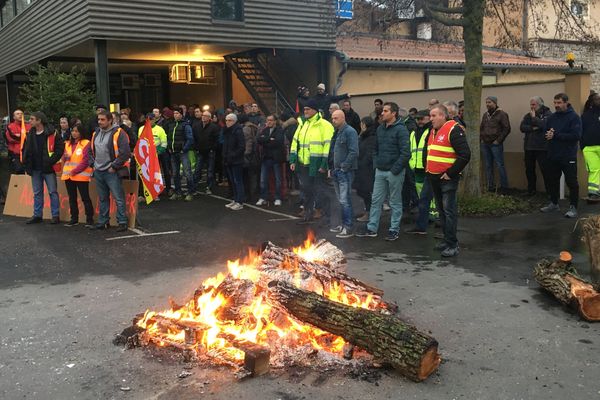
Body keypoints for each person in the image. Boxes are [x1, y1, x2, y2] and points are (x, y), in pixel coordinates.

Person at [356, 102, 410, 241]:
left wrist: (395, 170)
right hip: (380, 170)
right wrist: (376, 164)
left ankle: (394, 230)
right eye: (383, 111)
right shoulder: (380, 129)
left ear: (394, 113)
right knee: (376, 200)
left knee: (395, 202)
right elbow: (375, 149)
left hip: (394, 172)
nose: (382, 113)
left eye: (386, 111)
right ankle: (372, 228)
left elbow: (405, 153)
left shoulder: (401, 130)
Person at [425, 105, 471, 256]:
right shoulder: (433, 131)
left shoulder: (453, 129)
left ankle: (452, 244)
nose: (430, 119)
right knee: (442, 212)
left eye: (433, 116)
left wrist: (451, 173)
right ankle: (447, 240)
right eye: (430, 116)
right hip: (434, 177)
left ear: (443, 116)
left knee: (449, 212)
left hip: (447, 179)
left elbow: (465, 154)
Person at [290, 98, 334, 224]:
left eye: (308, 109)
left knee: (321, 190)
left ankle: (327, 217)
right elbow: (295, 143)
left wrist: (324, 164)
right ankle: (308, 214)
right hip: (303, 164)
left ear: (315, 110)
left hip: (318, 164)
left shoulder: (325, 125)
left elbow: (328, 146)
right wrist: (293, 160)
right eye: (304, 109)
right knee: (307, 190)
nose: (305, 111)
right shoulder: (303, 125)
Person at [541, 93, 582, 218]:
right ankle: (554, 203)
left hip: (568, 155)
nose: (556, 105)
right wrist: (547, 134)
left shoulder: (574, 117)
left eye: (559, 103)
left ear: (566, 102)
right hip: (553, 154)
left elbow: (576, 136)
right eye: (555, 103)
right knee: (552, 180)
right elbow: (546, 131)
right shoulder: (552, 117)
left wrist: (556, 135)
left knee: (571, 182)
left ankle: (573, 207)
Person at [90, 111, 131, 231]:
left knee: (118, 197)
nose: (99, 122)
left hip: (111, 171)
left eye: (102, 120)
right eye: (99, 119)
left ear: (109, 121)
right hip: (99, 170)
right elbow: (90, 150)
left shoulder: (119, 133)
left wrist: (114, 166)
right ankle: (103, 221)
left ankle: (122, 221)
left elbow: (125, 152)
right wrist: (93, 164)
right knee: (103, 198)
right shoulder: (96, 133)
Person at [21, 111, 64, 224]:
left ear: (39, 121)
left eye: (32, 119)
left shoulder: (52, 133)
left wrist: (51, 161)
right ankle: (37, 215)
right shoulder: (30, 133)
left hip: (48, 168)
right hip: (35, 168)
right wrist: (26, 163)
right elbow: (26, 149)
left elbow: (60, 148)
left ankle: (55, 216)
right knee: (37, 193)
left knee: (52, 192)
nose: (29, 121)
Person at [328, 110, 358, 238]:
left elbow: (353, 152)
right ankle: (343, 225)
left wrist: (344, 167)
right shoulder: (337, 132)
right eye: (332, 118)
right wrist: (331, 167)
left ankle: (348, 227)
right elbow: (333, 151)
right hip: (337, 170)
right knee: (341, 200)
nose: (333, 120)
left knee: (345, 200)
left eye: (336, 118)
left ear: (342, 118)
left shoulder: (350, 131)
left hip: (344, 171)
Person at [61, 124, 94, 227]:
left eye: (76, 131)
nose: (74, 133)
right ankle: (74, 218)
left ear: (81, 132)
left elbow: (86, 161)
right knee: (72, 198)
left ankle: (89, 220)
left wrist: (75, 171)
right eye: (73, 131)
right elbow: (63, 158)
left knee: (85, 198)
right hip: (69, 175)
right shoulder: (67, 143)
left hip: (80, 175)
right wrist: (65, 157)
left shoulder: (86, 143)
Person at [520, 96, 552, 196]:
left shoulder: (548, 114)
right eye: (531, 104)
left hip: (542, 147)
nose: (531, 106)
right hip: (529, 147)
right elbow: (522, 127)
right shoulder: (528, 114)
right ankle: (531, 190)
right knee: (529, 170)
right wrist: (533, 128)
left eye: (533, 104)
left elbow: (544, 126)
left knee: (546, 170)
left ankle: (550, 192)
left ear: (540, 104)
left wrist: (534, 118)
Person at [480, 96, 511, 193]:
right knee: (488, 165)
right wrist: (481, 138)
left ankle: (504, 187)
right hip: (485, 144)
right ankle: (490, 186)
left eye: (489, 102)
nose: (487, 104)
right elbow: (481, 127)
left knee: (499, 165)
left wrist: (499, 140)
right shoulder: (485, 115)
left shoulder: (502, 114)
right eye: (486, 102)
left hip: (495, 144)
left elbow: (507, 128)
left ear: (495, 103)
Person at [256, 114, 285, 206]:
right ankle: (263, 197)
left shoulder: (280, 130)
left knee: (278, 180)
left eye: (271, 120)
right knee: (263, 180)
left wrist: (266, 140)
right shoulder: (264, 130)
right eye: (268, 120)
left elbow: (278, 142)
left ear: (275, 121)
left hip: (276, 158)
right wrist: (270, 139)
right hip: (266, 158)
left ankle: (277, 198)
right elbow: (259, 139)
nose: (268, 122)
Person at [166, 108, 195, 201]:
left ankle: (190, 192)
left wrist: (184, 149)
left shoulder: (186, 125)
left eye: (177, 113)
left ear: (181, 114)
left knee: (187, 172)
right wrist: (169, 148)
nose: (175, 115)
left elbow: (190, 139)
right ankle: (178, 192)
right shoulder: (171, 124)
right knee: (175, 174)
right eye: (174, 113)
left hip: (182, 153)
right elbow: (169, 138)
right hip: (173, 152)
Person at [138, 113, 168, 200]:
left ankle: (155, 194)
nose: (150, 121)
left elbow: (164, 143)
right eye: (148, 119)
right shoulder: (141, 129)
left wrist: (158, 152)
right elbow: (140, 142)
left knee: (155, 175)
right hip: (145, 156)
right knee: (144, 174)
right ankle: (143, 194)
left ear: (155, 119)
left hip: (156, 155)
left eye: (152, 119)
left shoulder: (160, 129)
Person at [192, 108, 220, 194]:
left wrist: (212, 149)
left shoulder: (214, 127)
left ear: (209, 118)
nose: (203, 117)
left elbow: (217, 139)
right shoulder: (196, 125)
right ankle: (194, 187)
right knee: (197, 170)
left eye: (206, 116)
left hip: (210, 152)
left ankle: (209, 187)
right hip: (200, 151)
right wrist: (196, 148)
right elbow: (194, 137)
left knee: (210, 171)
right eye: (203, 115)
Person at [355, 116, 377, 222]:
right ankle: (368, 210)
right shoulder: (362, 136)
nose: (360, 125)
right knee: (361, 191)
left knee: (366, 191)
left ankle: (369, 213)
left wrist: (361, 164)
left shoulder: (371, 137)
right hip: (360, 168)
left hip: (367, 170)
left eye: (362, 123)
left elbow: (369, 154)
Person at [223, 113, 246, 210]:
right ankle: (235, 199)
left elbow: (241, 146)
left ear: (234, 121)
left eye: (229, 120)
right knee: (232, 181)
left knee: (238, 181)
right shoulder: (228, 131)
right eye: (226, 120)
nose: (227, 122)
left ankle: (240, 201)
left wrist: (233, 155)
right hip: (228, 160)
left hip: (236, 161)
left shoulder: (238, 131)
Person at [582, 92, 600, 200]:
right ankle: (593, 193)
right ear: (592, 102)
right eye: (597, 99)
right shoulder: (585, 115)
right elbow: (580, 131)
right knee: (594, 170)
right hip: (589, 148)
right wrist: (583, 146)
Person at [5, 109, 30, 174]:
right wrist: (24, 136)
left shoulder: (28, 126)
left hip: (27, 153)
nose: (20, 115)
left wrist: (20, 136)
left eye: (21, 114)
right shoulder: (10, 126)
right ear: (14, 117)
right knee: (18, 171)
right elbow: (11, 139)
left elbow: (30, 138)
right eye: (18, 114)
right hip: (15, 153)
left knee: (29, 172)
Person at [281, 110, 299, 193]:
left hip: (291, 151)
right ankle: (294, 187)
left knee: (293, 170)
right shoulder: (295, 125)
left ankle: (295, 187)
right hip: (294, 151)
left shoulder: (287, 128)